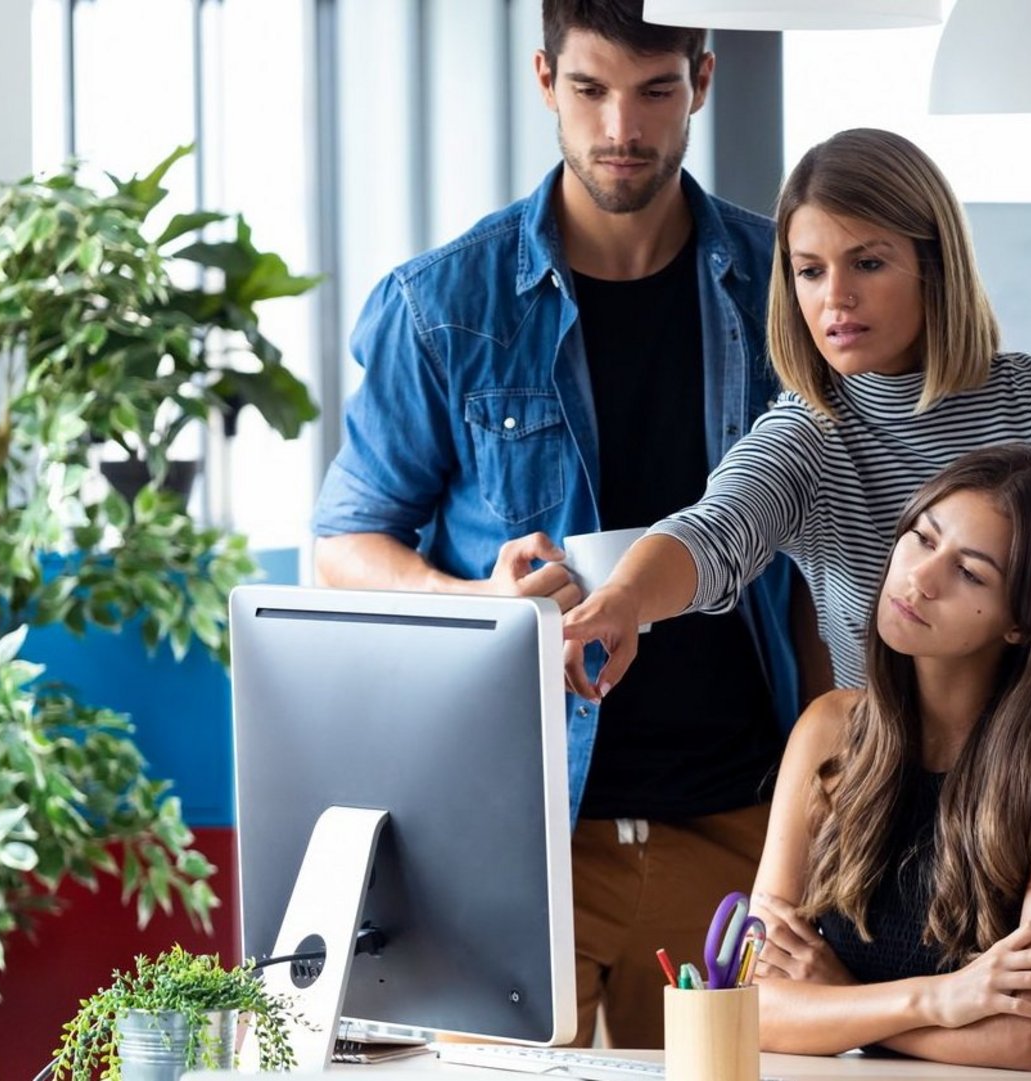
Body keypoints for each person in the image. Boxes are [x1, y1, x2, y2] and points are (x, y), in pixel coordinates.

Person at [562, 127, 1031, 1054]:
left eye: (868, 263)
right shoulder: (809, 433)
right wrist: (622, 601)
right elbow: (713, 530)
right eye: (810, 270)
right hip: (904, 818)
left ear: (934, 265)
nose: (836, 299)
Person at [309, 0, 808, 1048]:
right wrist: (478, 602)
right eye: (590, 91)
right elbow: (343, 544)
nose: (620, 127)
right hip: (518, 839)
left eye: (654, 91)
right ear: (544, 80)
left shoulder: (786, 289)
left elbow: (831, 550)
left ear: (702, 83)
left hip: (740, 834)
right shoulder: (445, 302)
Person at [748, 444, 1031, 1071]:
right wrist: (943, 999)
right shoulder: (828, 728)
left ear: (1022, 623)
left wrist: (841, 1003)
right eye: (922, 539)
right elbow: (753, 1004)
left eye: (970, 573)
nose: (921, 579)